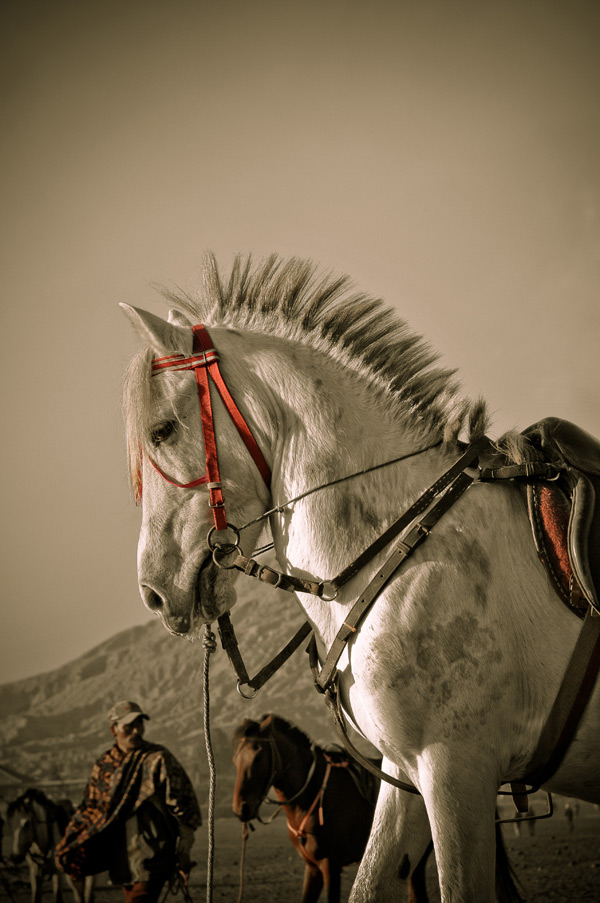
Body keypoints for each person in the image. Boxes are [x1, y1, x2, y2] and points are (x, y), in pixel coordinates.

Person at [56, 701, 202, 903]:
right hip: (121, 859)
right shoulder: (103, 766)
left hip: (154, 856)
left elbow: (184, 807)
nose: (136, 730)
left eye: (139, 724)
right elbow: (90, 809)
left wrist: (184, 851)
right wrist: (71, 843)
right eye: (128, 726)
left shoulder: (157, 759)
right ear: (113, 729)